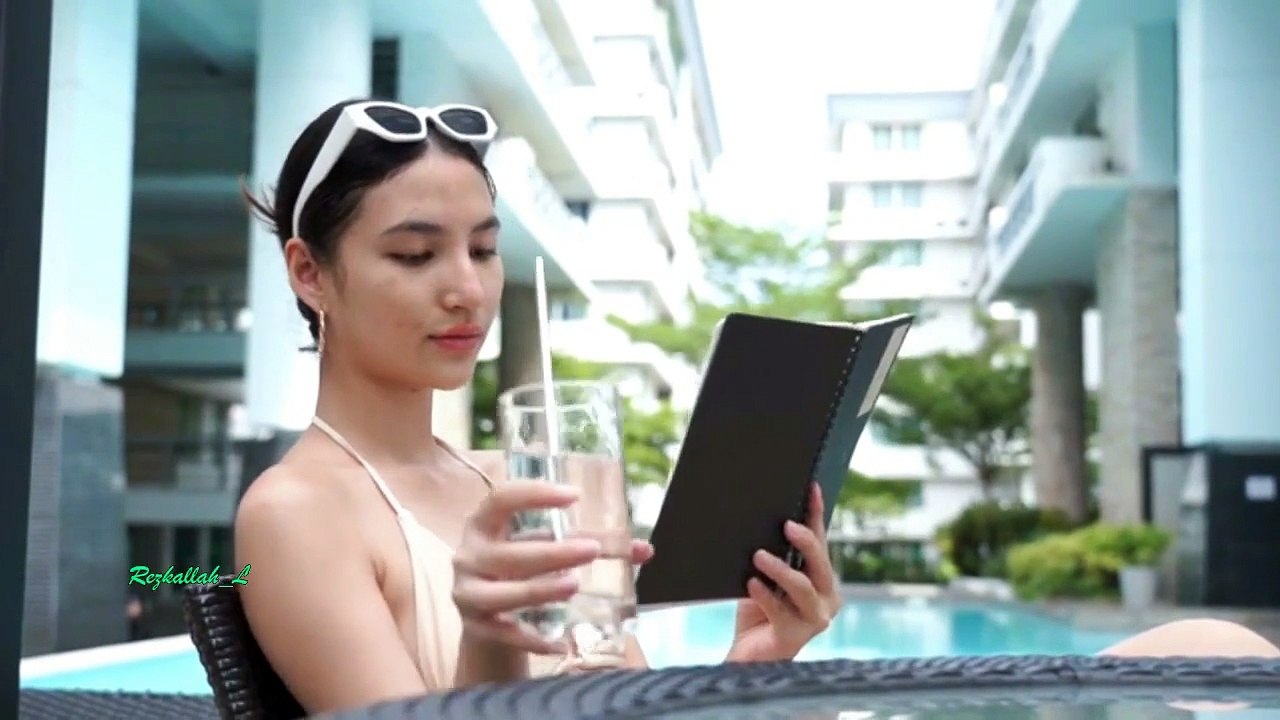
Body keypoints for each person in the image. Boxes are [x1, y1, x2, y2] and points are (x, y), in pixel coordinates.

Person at [234, 98, 1278, 717]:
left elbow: (623, 704)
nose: (465, 287)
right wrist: (489, 634)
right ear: (309, 272)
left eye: (483, 248)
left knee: (1212, 651)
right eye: (414, 254)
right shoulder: (297, 514)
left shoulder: (510, 483)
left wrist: (755, 661)